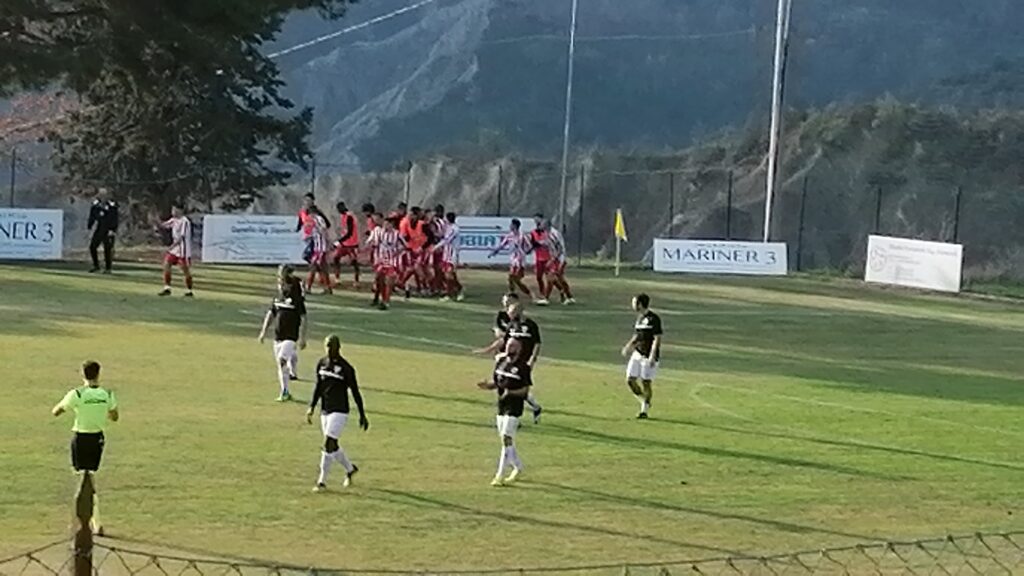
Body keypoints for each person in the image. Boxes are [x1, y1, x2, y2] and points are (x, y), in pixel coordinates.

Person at [52, 360, 120, 535]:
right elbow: (114, 416)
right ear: (98, 374)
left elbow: (56, 411)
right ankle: (96, 522)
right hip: (97, 438)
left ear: (82, 374)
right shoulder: (107, 394)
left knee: (81, 479)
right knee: (91, 477)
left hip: (81, 437)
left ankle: (79, 522)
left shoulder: (77, 394)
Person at [307, 335, 369, 493]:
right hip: (325, 410)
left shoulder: (346, 368)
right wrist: (312, 406)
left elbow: (355, 392)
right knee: (332, 446)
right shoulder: (321, 363)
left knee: (328, 442)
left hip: (340, 410)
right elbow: (319, 387)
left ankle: (321, 482)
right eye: (327, 346)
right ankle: (350, 469)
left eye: (332, 346)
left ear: (338, 347)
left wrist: (362, 414)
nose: (329, 349)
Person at [476, 338, 532, 486]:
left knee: (506, 438)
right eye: (507, 345)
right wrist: (487, 386)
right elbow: (497, 383)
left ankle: (499, 475)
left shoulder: (523, 367)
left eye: (512, 346)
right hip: (501, 405)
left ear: (518, 349)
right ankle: (518, 466)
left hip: (514, 407)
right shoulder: (501, 362)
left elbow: (525, 390)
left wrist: (511, 392)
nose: (508, 348)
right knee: (505, 440)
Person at [258, 265, 308, 401]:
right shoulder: (277, 299)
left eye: (281, 283)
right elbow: (271, 314)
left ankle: (286, 387)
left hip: (291, 336)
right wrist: (263, 332)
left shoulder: (296, 298)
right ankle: (285, 391)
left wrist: (302, 338)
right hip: (278, 336)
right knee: (281, 365)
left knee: (282, 360)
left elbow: (304, 317)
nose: (280, 286)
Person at [620, 293, 663, 419]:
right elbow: (637, 335)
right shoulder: (639, 318)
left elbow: (657, 338)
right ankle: (644, 400)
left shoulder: (654, 319)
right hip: (637, 353)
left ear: (640, 304)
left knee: (646, 382)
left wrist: (652, 356)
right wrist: (628, 346)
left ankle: (644, 410)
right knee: (630, 380)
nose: (632, 305)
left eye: (634, 302)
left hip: (648, 356)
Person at [366, 213, 404, 310]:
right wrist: (371, 244)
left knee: (389, 281)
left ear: (392, 225)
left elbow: (404, 246)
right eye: (385, 224)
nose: (386, 226)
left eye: (388, 224)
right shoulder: (378, 232)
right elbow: (370, 241)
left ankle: (386, 302)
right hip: (381, 260)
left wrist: (397, 252)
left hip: (392, 260)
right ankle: (380, 298)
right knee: (379, 279)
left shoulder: (397, 234)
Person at [489, 218, 533, 299]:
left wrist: (526, 252)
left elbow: (530, 246)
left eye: (511, 225)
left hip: (520, 261)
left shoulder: (522, 236)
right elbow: (502, 245)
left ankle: (529, 293)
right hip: (513, 260)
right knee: (511, 277)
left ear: (515, 226)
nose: (510, 226)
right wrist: (494, 252)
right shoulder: (509, 236)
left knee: (516, 279)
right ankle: (512, 293)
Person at [157, 204, 194, 297]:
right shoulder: (174, 220)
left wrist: (171, 246)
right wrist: (155, 220)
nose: (172, 212)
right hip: (175, 249)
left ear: (180, 210)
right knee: (167, 264)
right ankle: (167, 288)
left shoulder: (185, 221)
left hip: (183, 250)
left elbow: (181, 237)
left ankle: (189, 290)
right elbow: (164, 225)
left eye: (174, 210)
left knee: (185, 270)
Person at [541, 220, 576, 305]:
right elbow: (549, 245)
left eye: (542, 224)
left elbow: (559, 248)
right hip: (555, 258)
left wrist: (553, 259)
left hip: (559, 258)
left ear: (546, 225)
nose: (540, 225)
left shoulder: (554, 234)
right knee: (558, 278)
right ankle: (569, 296)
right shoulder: (547, 233)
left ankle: (546, 298)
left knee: (552, 277)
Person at [87, 187, 119, 274]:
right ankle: (96, 266)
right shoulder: (96, 204)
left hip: (108, 229)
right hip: (100, 228)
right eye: (100, 194)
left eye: (104, 194)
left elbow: (115, 218)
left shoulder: (112, 204)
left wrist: (113, 229)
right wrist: (90, 225)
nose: (102, 196)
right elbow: (92, 215)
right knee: (93, 247)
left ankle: (108, 268)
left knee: (107, 248)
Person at [433, 211, 463, 301]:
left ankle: (450, 294)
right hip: (446, 254)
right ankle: (458, 290)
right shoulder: (448, 228)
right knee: (449, 274)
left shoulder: (454, 229)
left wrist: (436, 247)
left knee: (449, 274)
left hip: (452, 254)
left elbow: (447, 240)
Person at [332, 201, 361, 289]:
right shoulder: (344, 216)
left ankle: (356, 280)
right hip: (345, 243)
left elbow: (350, 232)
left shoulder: (349, 216)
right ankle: (337, 278)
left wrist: (339, 241)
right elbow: (345, 231)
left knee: (354, 262)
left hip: (352, 243)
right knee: (336, 258)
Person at [529, 214, 551, 305]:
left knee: (550, 278)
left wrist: (540, 243)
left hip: (548, 257)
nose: (536, 221)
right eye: (535, 220)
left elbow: (548, 243)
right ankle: (542, 293)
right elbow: (533, 244)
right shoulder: (533, 232)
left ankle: (561, 291)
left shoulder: (547, 232)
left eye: (538, 219)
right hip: (539, 258)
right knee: (539, 277)